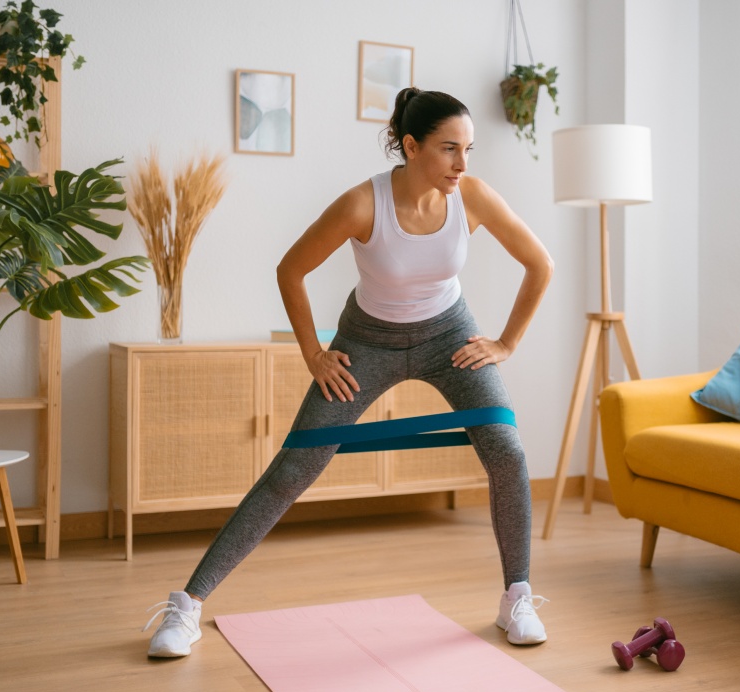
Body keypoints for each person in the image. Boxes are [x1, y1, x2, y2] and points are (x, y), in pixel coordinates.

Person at [143, 88, 555, 658]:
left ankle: (518, 596)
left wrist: (506, 343)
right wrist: (314, 353)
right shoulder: (364, 204)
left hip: (450, 339)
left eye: (469, 150)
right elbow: (291, 270)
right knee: (292, 471)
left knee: (506, 452)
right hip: (368, 343)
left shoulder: (472, 197)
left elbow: (541, 264)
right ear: (411, 147)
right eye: (449, 149)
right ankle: (185, 607)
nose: (463, 164)